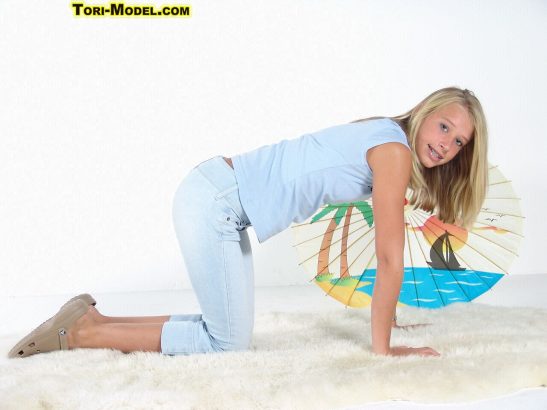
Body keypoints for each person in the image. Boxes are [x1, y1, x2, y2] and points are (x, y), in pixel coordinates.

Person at [8, 86, 487, 359]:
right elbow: (388, 256)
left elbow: (385, 250)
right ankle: (81, 334)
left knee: (223, 328)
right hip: (215, 202)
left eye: (459, 142)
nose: (447, 144)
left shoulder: (386, 135)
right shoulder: (394, 151)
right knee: (226, 343)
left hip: (217, 196)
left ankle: (94, 320)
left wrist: (390, 320)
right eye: (444, 126)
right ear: (424, 113)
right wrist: (384, 350)